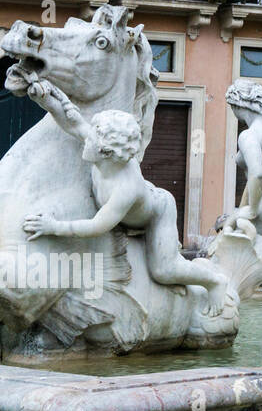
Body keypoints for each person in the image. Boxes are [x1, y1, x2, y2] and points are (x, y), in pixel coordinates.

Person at [20, 79, 230, 315]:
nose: (84, 139)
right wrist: (45, 99)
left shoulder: (123, 188)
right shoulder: (103, 148)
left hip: (157, 213)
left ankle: (214, 281)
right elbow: (73, 123)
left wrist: (53, 227)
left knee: (164, 270)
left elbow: (96, 226)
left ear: (106, 152)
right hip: (134, 207)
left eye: (90, 141)